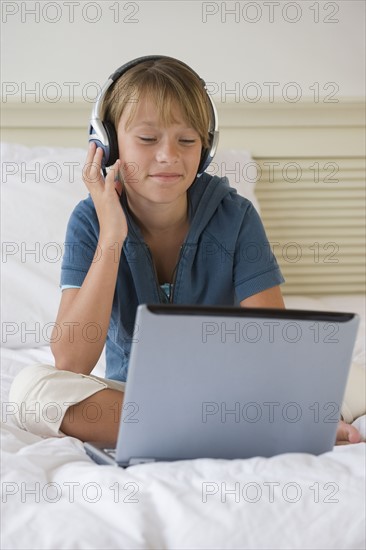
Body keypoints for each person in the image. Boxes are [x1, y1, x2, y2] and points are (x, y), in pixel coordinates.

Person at [9, 56, 364, 446]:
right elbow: (71, 363)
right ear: (106, 144)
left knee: (356, 376)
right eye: (147, 139)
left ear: (206, 148)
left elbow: (273, 346)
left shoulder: (236, 216)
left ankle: (209, 427)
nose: (169, 156)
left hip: (233, 398)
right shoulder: (90, 221)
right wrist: (112, 233)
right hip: (133, 398)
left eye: (187, 140)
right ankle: (236, 431)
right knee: (32, 390)